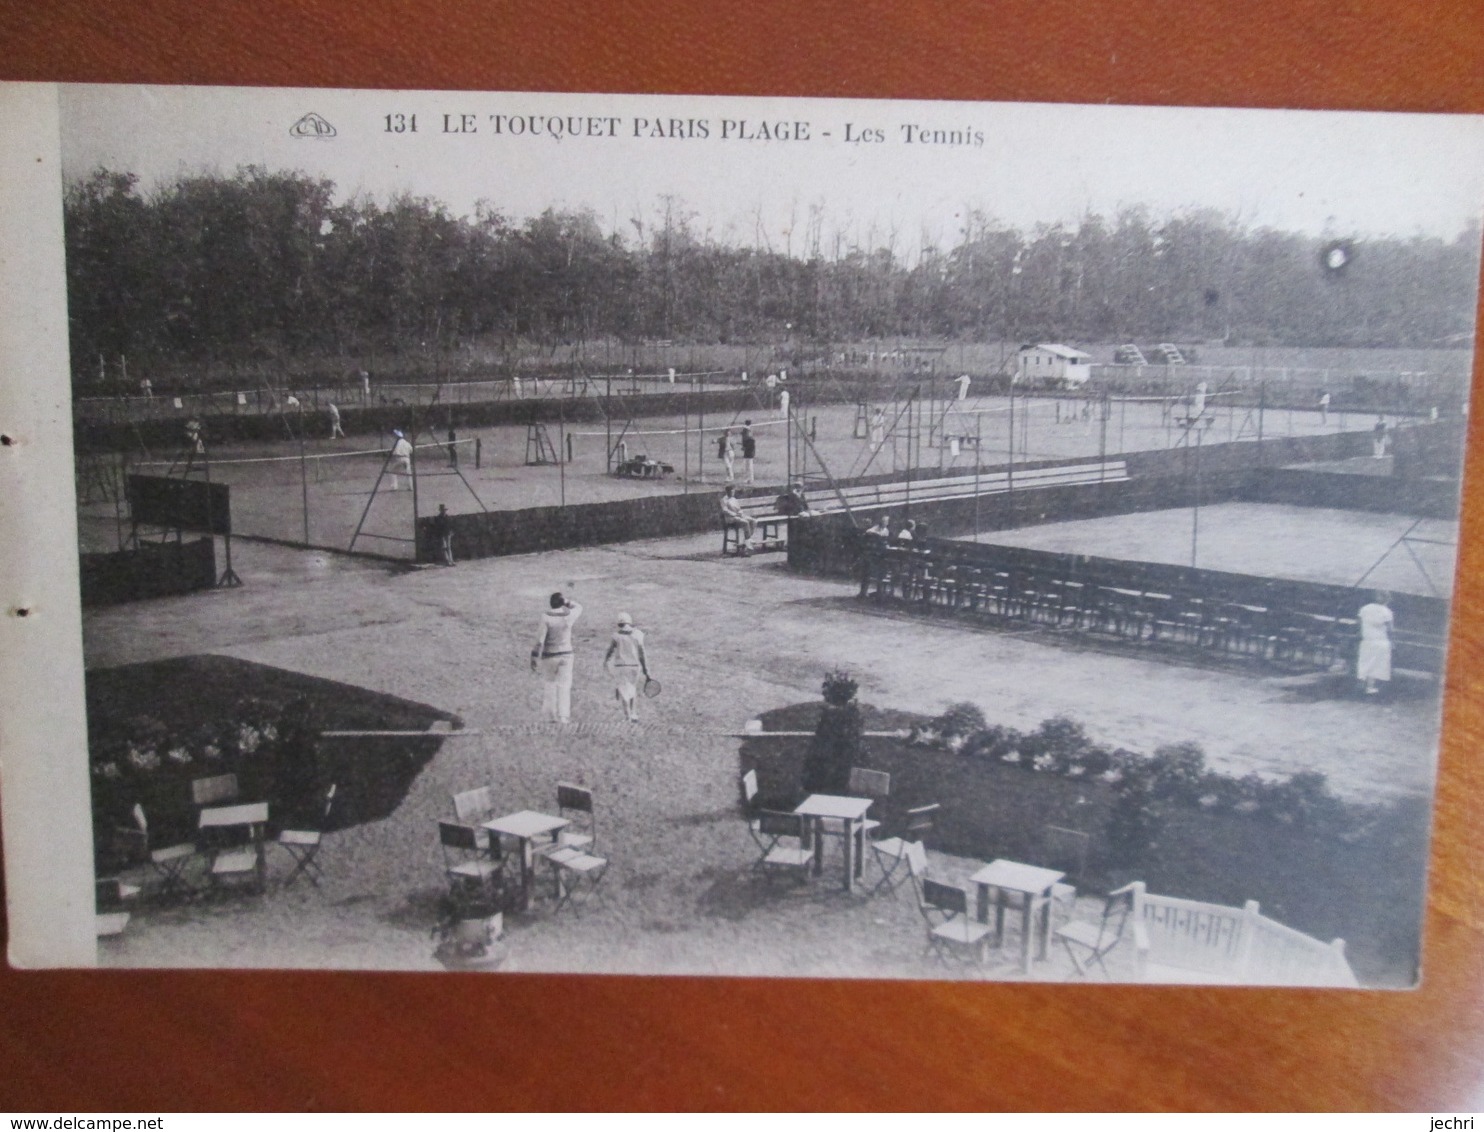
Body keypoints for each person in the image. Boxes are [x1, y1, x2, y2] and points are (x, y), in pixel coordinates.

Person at [531, 592, 582, 723]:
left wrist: (534, 656)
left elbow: (540, 641)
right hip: (566, 654)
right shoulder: (568, 616)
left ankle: (550, 716)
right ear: (561, 603)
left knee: (550, 684)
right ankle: (563, 716)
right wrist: (567, 602)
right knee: (565, 685)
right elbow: (579, 607)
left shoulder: (546, 617)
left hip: (549, 655)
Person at [603, 612, 650, 723]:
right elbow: (642, 652)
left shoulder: (616, 636)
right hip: (635, 666)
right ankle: (633, 713)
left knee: (623, 690)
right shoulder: (638, 634)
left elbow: (610, 650)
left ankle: (628, 715)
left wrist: (606, 660)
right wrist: (645, 668)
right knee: (632, 688)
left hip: (620, 666)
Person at [1356, 590, 1394, 696]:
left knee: (1364, 661)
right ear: (1387, 600)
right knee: (1376, 664)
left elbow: (1359, 624)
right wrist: (1393, 642)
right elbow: (1390, 629)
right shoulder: (1387, 612)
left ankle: (1361, 683)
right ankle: (1370, 687)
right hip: (1380, 641)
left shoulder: (1364, 609)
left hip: (1367, 640)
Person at [720, 485, 756, 550]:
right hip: (730, 518)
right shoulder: (723, 500)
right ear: (727, 492)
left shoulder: (734, 499)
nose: (733, 493)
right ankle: (748, 543)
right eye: (731, 491)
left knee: (753, 521)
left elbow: (739, 509)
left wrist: (740, 513)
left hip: (738, 516)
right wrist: (734, 514)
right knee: (745, 522)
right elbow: (725, 510)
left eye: (733, 491)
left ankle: (748, 539)